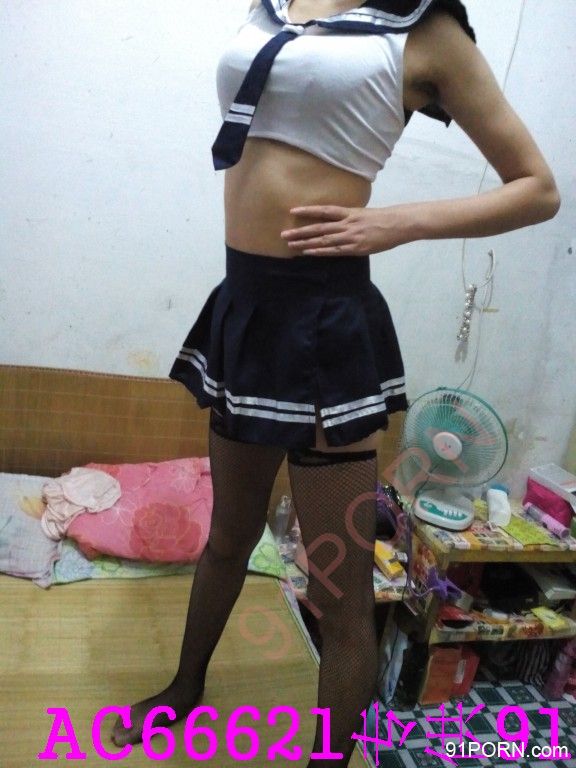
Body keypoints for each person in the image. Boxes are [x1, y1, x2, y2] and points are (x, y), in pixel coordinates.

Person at [111, 0, 560, 763]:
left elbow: (538, 188)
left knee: (339, 590)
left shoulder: (421, 27)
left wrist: (396, 222)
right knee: (228, 537)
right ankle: (185, 688)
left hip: (326, 323)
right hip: (245, 308)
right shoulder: (278, 6)